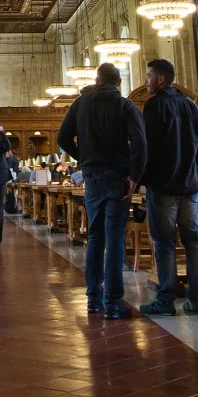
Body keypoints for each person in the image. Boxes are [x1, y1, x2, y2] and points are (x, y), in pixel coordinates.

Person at [56, 61, 146, 319]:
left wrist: (83, 157)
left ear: (97, 81)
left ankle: (93, 297)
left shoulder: (80, 103)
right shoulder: (126, 105)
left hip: (93, 176)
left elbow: (63, 138)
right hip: (119, 177)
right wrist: (135, 176)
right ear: (119, 82)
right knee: (115, 238)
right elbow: (140, 141)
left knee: (95, 236)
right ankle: (113, 302)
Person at [138, 59, 198, 317]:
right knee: (193, 241)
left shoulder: (155, 105)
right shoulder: (190, 105)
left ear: (161, 79)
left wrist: (142, 180)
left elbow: (148, 147)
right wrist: (193, 169)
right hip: (189, 186)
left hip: (164, 184)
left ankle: (166, 299)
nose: (146, 82)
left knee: (165, 243)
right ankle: (196, 299)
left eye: (148, 77)